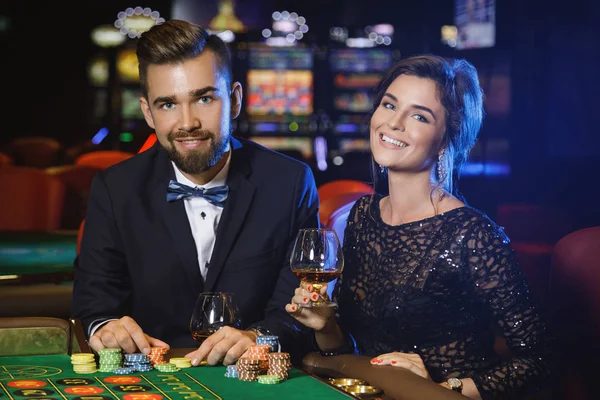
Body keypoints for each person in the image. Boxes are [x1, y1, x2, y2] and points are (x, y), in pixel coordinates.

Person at [286, 55, 553, 399]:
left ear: (446, 139)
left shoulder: (472, 234)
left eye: (418, 116)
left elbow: (539, 361)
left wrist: (439, 388)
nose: (393, 123)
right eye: (388, 105)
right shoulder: (362, 215)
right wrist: (326, 326)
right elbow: (349, 351)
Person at [71, 19, 318, 366]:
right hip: (152, 378)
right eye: (168, 104)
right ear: (148, 113)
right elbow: (93, 307)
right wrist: (107, 328)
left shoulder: (289, 182)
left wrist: (256, 337)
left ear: (233, 100)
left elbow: (300, 313)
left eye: (203, 98)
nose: (187, 123)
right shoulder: (115, 189)